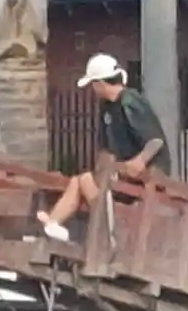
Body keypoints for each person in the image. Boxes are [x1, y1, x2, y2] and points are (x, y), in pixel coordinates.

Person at [37, 52, 171, 242]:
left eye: (93, 84)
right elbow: (107, 149)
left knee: (84, 180)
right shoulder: (108, 107)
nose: (92, 89)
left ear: (100, 83)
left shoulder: (129, 101)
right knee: (79, 181)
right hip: (122, 176)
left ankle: (107, 232)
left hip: (145, 179)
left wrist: (139, 161)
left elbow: (155, 140)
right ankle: (53, 223)